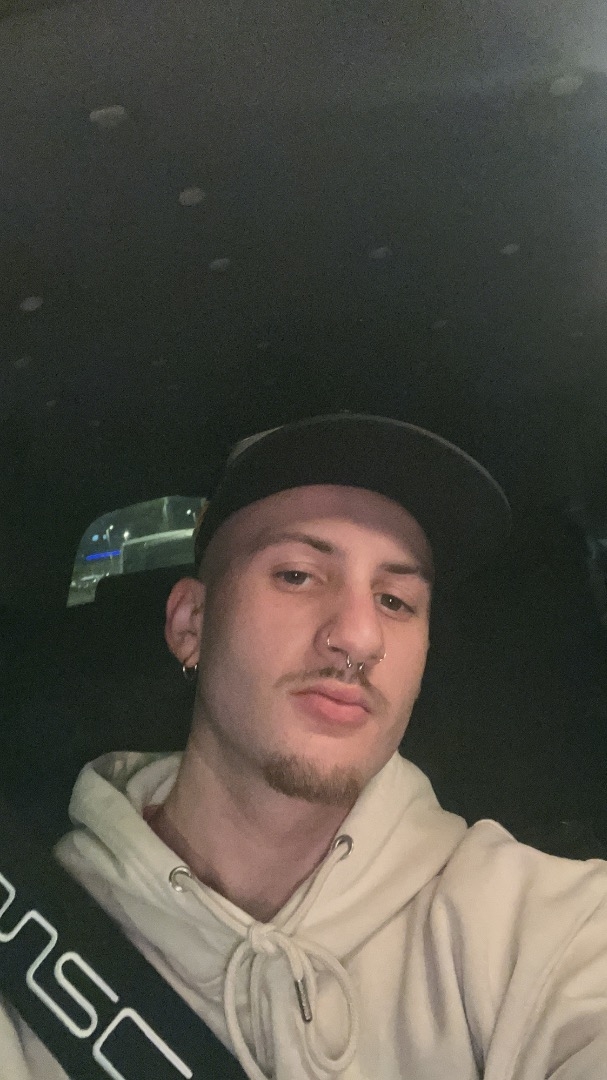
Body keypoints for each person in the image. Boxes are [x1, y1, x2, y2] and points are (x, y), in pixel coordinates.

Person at [3, 412, 607, 1079]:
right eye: (297, 575)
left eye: (395, 600)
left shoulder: (535, 930)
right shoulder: (24, 934)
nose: (359, 637)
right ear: (192, 623)